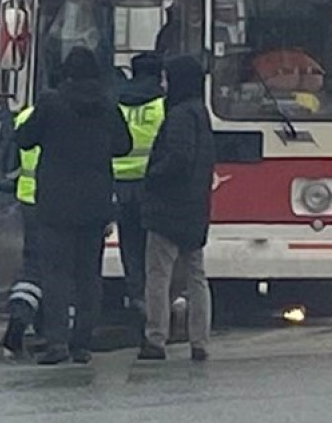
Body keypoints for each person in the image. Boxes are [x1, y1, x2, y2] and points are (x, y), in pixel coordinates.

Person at [15, 46, 132, 365]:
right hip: (95, 203)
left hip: (56, 203)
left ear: (66, 72)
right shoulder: (107, 105)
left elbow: (24, 138)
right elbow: (124, 145)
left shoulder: (51, 103)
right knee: (88, 276)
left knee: (57, 275)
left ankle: (57, 343)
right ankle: (82, 343)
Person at [138, 54, 216, 362]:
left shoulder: (181, 115)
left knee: (158, 275)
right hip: (195, 206)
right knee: (196, 275)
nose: (163, 84)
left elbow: (178, 159)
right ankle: (200, 341)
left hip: (169, 207)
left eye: (167, 78)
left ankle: (156, 338)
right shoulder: (201, 113)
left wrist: (152, 177)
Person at [113, 53, 166, 320]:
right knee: (153, 246)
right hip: (151, 184)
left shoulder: (117, 101)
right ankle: (152, 299)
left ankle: (135, 294)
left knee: (129, 244)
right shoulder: (162, 105)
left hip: (119, 183)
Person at [2, 103, 43, 354]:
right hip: (59, 202)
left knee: (31, 266)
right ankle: (42, 323)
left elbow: (10, 166)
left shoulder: (25, 115)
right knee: (56, 270)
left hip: (25, 200)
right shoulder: (72, 113)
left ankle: (20, 311)